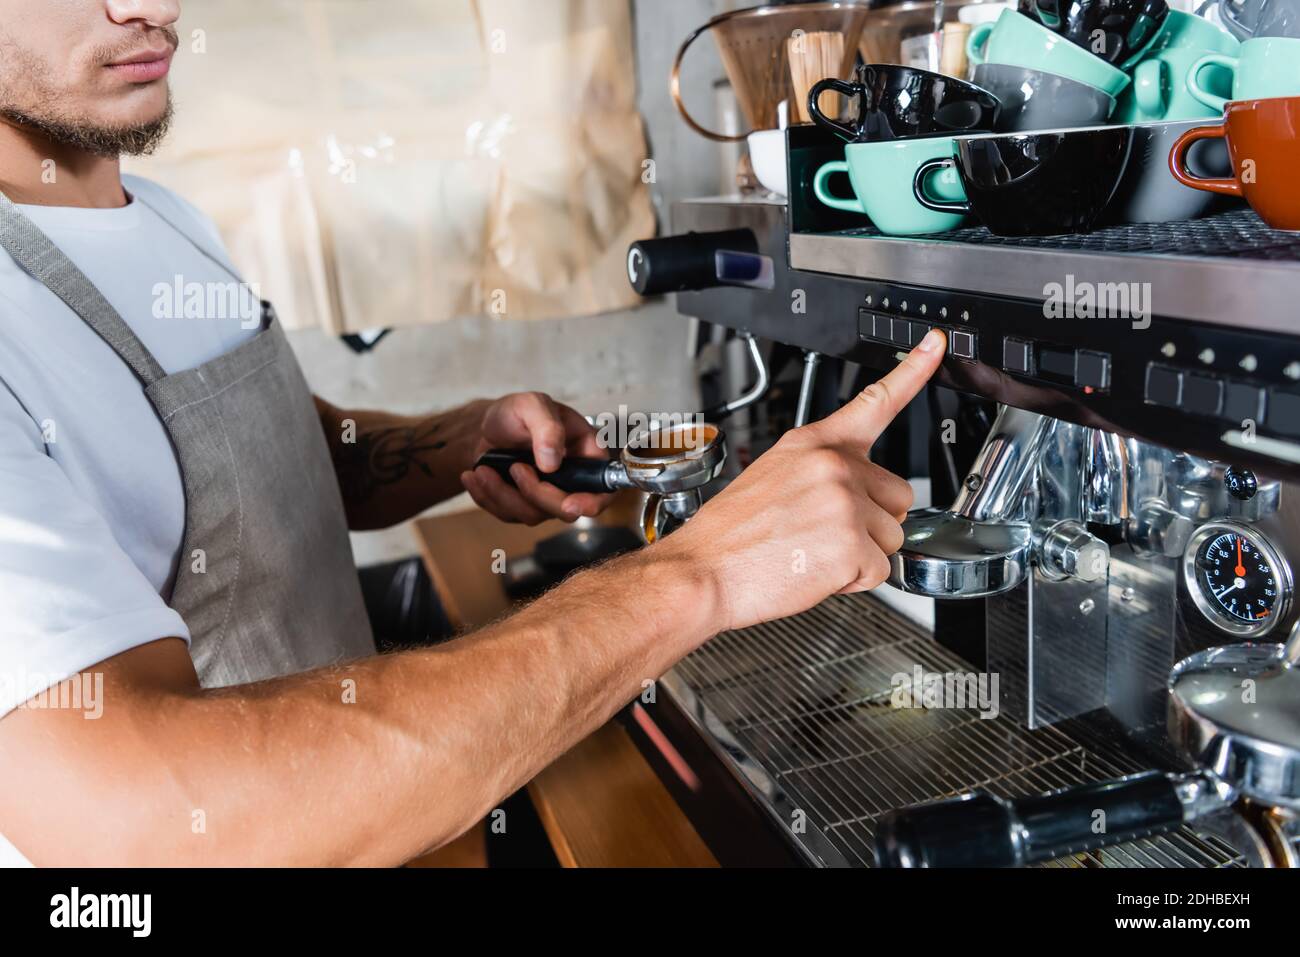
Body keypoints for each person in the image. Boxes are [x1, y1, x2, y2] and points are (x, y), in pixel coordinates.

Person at [0, 0, 944, 865]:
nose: (152, 8)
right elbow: (139, 816)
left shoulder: (163, 219)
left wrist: (454, 443)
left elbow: (262, 458)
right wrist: (704, 572)